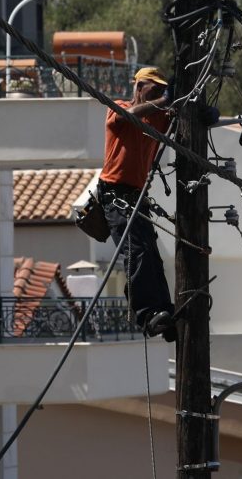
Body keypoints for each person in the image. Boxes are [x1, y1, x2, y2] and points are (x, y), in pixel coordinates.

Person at [99, 66, 175, 341]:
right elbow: (130, 117)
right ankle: (147, 315)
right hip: (114, 193)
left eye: (162, 91)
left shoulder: (159, 118)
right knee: (137, 253)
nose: (159, 96)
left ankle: (165, 313)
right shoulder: (118, 108)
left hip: (137, 196)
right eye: (154, 90)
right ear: (139, 87)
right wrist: (166, 102)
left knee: (152, 257)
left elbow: (179, 120)